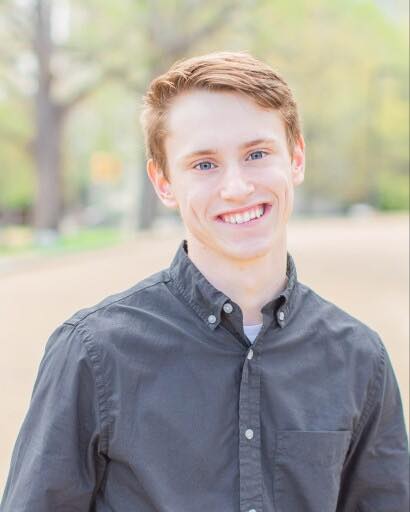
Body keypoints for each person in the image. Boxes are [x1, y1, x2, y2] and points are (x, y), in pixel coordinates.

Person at [1, 51, 408, 512]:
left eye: (256, 154)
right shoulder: (93, 353)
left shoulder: (359, 359)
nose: (236, 187)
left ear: (296, 158)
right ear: (163, 182)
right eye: (204, 164)